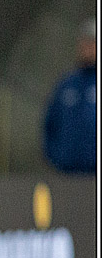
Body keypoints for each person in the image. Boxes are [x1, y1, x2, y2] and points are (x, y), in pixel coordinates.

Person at [43, 18, 96, 173]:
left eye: (92, 43)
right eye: (84, 43)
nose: (87, 48)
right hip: (67, 173)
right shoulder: (67, 84)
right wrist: (57, 157)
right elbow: (50, 123)